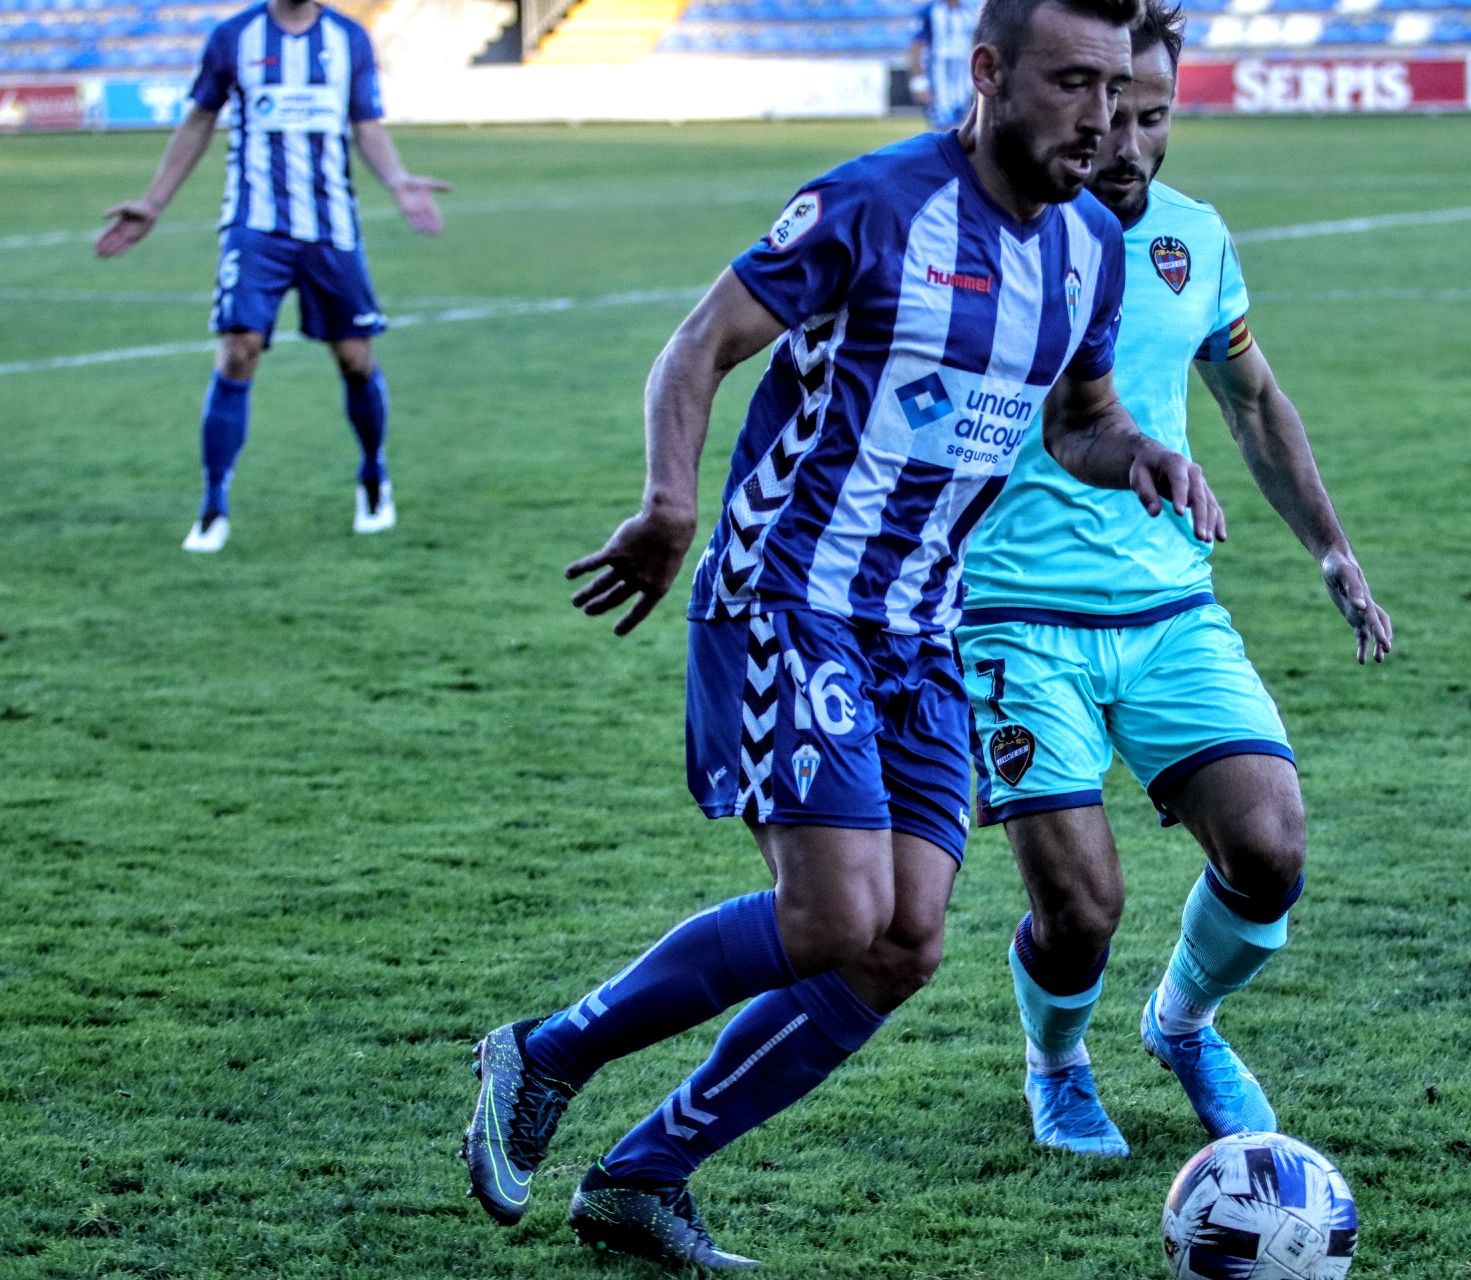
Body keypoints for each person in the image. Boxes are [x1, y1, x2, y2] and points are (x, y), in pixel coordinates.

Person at [462, 0, 1226, 1266]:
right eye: (1070, 83)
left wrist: (1137, 452)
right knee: (830, 917)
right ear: (987, 75)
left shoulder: (1093, 247)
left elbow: (1078, 418)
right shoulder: (874, 205)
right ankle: (541, 1054)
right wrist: (667, 496)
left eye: (1115, 88)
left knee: (905, 941)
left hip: (923, 626)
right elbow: (698, 346)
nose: (1098, 117)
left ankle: (644, 1173)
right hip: (788, 594)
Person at [955, 1, 1391, 1160]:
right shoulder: (987, 232)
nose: (1131, 143)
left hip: (1167, 604)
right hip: (1012, 612)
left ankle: (1184, 1023)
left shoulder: (1193, 237)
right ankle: (1057, 1062)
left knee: (1270, 847)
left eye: (1155, 116)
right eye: (1109, 112)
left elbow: (1250, 397)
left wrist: (1332, 549)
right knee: (1083, 906)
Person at [94, 0, 449, 554]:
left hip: (331, 228)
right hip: (254, 226)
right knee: (239, 350)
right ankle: (214, 505)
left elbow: (366, 125)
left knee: (356, 360)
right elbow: (198, 121)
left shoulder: (348, 39)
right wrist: (153, 204)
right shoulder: (233, 37)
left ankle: (373, 476)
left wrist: (399, 180)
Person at [910, 0, 982, 128]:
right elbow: (916, 47)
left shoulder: (970, 12)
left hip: (964, 85)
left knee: (966, 131)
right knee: (943, 133)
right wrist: (919, 84)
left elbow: (976, 45)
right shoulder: (930, 12)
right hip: (938, 87)